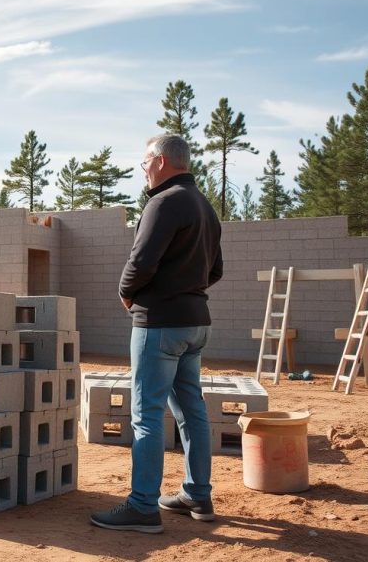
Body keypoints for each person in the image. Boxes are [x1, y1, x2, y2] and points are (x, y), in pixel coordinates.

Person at [90, 134, 223, 533]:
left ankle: (143, 506)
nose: (143, 170)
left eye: (145, 162)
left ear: (162, 161)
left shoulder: (162, 202)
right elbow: (215, 271)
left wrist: (126, 293)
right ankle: (197, 494)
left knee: (146, 413)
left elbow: (141, 260)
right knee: (192, 410)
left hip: (160, 324)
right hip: (195, 323)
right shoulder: (204, 206)